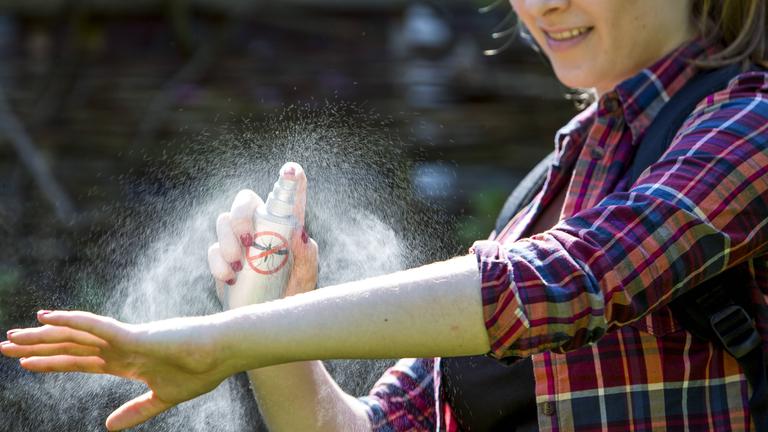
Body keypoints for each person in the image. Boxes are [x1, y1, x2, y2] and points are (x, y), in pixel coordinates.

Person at [2, 0, 768, 430]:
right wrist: (274, 327)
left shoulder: (754, 125)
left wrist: (220, 343)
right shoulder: (539, 199)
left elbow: (572, 281)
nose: (542, 5)